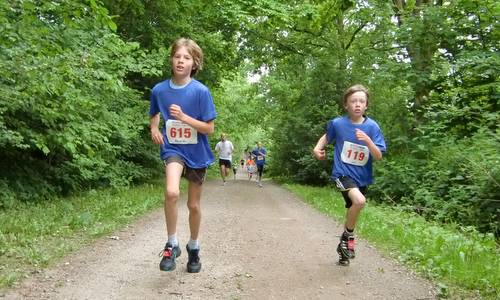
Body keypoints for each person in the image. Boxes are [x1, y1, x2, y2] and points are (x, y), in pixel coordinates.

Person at [149, 38, 216, 273]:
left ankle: (194, 247)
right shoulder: (160, 89)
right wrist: (155, 128)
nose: (181, 61)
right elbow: (154, 112)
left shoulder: (200, 91)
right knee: (171, 192)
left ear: (194, 64)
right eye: (177, 56)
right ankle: (172, 243)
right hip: (173, 149)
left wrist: (184, 118)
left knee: (193, 205)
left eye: (186, 58)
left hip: (197, 152)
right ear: (171, 60)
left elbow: (209, 129)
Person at [313, 84, 386, 266]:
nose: (357, 104)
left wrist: (369, 141)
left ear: (366, 105)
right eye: (353, 101)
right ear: (346, 104)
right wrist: (317, 148)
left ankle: (344, 248)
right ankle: (349, 238)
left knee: (353, 207)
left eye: (362, 101)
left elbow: (378, 156)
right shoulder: (338, 124)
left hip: (362, 177)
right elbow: (326, 137)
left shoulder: (372, 127)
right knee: (359, 201)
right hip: (342, 175)